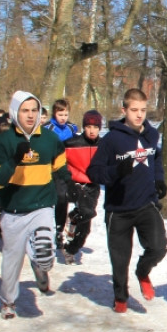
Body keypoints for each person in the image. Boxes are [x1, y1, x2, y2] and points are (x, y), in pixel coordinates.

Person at [0, 91, 71, 319]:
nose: (31, 115)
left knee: (44, 248)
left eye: (35, 110)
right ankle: (8, 301)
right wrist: (14, 159)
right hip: (13, 209)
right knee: (12, 260)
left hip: (42, 205)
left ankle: (41, 264)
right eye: (25, 110)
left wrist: (73, 184)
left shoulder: (50, 139)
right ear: (15, 112)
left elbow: (60, 165)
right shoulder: (4, 140)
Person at [86, 88, 167, 313]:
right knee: (120, 259)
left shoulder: (151, 135)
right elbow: (93, 172)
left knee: (159, 247)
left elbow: (156, 158)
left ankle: (143, 272)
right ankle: (120, 296)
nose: (139, 115)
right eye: (134, 110)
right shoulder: (112, 139)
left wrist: (159, 180)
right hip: (118, 209)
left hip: (146, 204)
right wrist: (115, 172)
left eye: (143, 110)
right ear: (124, 110)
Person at [60, 109, 103, 260]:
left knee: (86, 225)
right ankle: (73, 217)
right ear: (84, 127)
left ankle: (71, 249)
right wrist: (67, 179)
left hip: (93, 186)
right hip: (76, 184)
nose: (92, 131)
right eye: (89, 127)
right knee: (87, 212)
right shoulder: (71, 144)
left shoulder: (104, 146)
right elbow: (59, 162)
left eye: (96, 127)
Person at [43, 99, 78, 249]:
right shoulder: (47, 128)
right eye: (60, 114)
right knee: (52, 199)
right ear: (54, 113)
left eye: (65, 114)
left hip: (67, 167)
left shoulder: (72, 128)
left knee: (63, 198)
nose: (63, 117)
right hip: (51, 167)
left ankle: (59, 228)